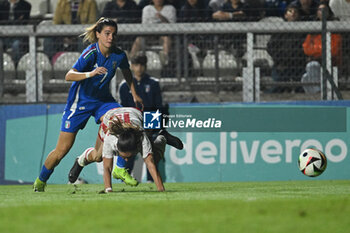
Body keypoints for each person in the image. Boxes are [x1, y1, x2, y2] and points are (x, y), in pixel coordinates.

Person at [33, 17, 143, 192]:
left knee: (123, 122)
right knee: (62, 150)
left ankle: (120, 168)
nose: (111, 38)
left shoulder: (119, 55)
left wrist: (135, 94)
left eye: (114, 34)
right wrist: (90, 74)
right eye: (107, 33)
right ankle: (41, 180)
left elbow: (127, 72)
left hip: (103, 102)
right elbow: (68, 75)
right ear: (98, 34)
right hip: (79, 103)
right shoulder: (91, 53)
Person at [68, 107, 183, 192]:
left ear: (136, 147)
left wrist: (161, 189)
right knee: (98, 157)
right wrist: (108, 189)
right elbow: (107, 167)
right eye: (123, 157)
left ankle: (162, 137)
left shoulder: (141, 138)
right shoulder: (110, 138)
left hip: (135, 115)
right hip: (110, 118)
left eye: (128, 157)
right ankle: (80, 160)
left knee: (153, 158)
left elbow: (150, 164)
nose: (126, 161)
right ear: (116, 147)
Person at [118, 53, 164, 182]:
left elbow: (157, 107)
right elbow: (123, 108)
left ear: (145, 66)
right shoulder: (124, 85)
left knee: (150, 153)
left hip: (148, 123)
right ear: (131, 66)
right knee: (129, 152)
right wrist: (126, 127)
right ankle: (125, 178)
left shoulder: (153, 83)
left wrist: (152, 129)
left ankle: (151, 179)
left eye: (142, 65)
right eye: (136, 65)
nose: (139, 68)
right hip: (131, 125)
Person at [301, 2, 342, 93]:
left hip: (331, 61)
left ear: (329, 12)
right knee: (309, 70)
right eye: (320, 10)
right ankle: (318, 91)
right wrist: (320, 50)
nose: (322, 12)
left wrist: (315, 50)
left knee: (312, 67)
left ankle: (319, 92)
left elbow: (333, 50)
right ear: (317, 12)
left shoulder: (335, 27)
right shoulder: (314, 28)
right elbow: (306, 48)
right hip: (316, 60)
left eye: (324, 10)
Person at [266, 4, 307, 92]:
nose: (293, 14)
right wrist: (280, 61)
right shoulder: (280, 30)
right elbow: (271, 47)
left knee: (301, 89)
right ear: (285, 15)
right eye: (290, 11)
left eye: (295, 12)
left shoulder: (303, 31)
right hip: (281, 65)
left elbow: (305, 49)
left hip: (299, 65)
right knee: (277, 88)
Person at [130, 0, 176, 66]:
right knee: (138, 39)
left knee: (167, 39)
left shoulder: (170, 8)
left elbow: (173, 27)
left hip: (163, 35)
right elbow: (144, 26)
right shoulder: (147, 9)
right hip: (149, 35)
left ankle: (164, 58)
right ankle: (131, 58)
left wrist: (162, 18)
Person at [0, 0, 31, 64]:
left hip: (19, 36)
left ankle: (16, 67)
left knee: (16, 45)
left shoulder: (26, 5)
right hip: (3, 35)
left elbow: (23, 22)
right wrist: (17, 20)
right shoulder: (1, 5)